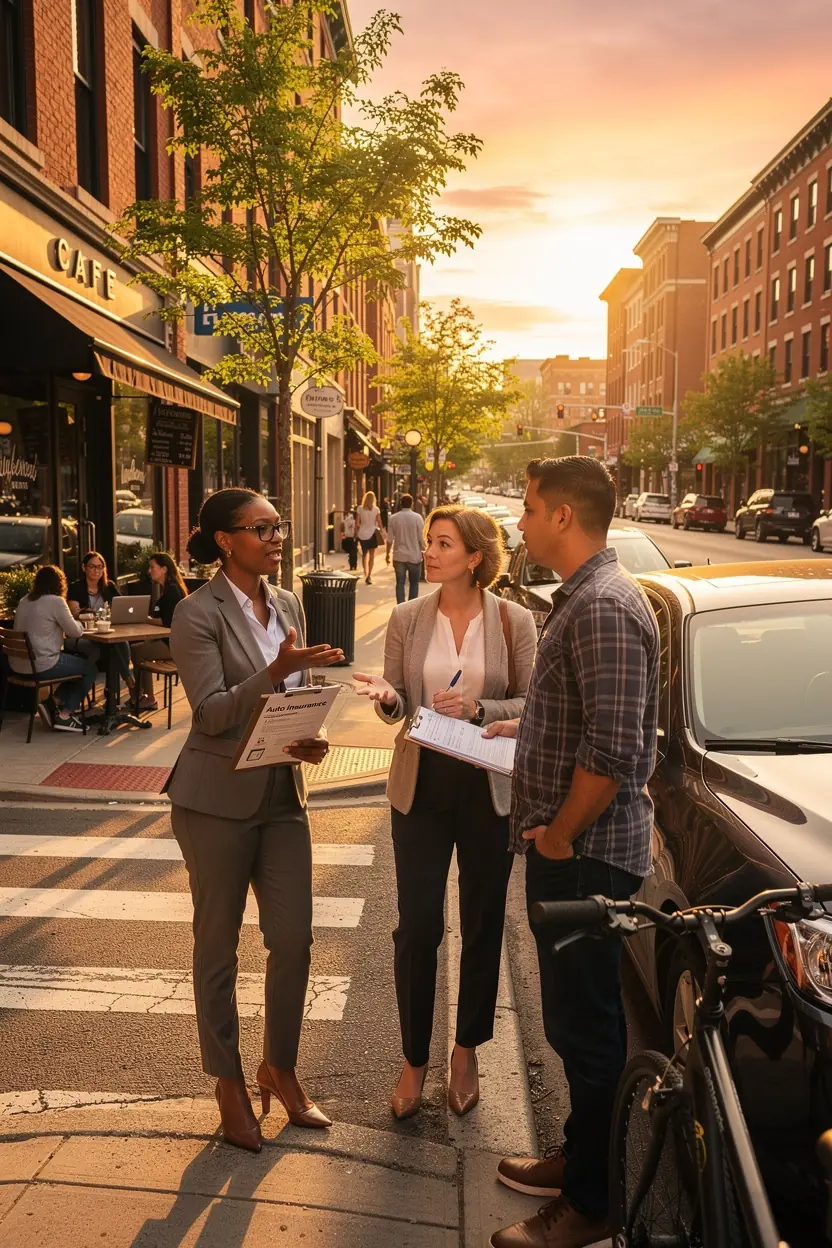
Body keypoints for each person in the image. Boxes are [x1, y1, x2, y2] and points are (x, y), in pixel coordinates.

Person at [485, 457, 660, 1248]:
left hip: (584, 855)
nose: (517, 523)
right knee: (571, 1025)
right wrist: (527, 730)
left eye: (526, 509)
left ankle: (590, 1205)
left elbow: (615, 748)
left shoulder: (605, 606)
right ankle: (576, 1155)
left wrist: (557, 834)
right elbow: (583, 717)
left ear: (562, 516)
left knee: (587, 1033)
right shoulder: (585, 598)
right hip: (573, 850)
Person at [167, 488, 345, 1153]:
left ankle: (281, 1067)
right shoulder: (196, 612)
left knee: (294, 940)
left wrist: (310, 736)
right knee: (217, 948)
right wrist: (277, 671)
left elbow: (285, 706)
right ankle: (229, 1082)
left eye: (278, 526)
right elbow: (211, 713)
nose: (276, 537)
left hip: (281, 796)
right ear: (224, 540)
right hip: (214, 800)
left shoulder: (290, 603)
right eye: (260, 528)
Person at [354, 506, 537, 1121]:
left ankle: (466, 1051)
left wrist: (479, 708)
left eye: (442, 544)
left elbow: (530, 700)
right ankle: (413, 1059)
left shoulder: (514, 621)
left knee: (482, 923)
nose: (429, 554)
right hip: (422, 788)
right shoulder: (408, 617)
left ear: (475, 556)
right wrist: (386, 700)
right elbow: (398, 699)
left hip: (488, 788)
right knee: (417, 927)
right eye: (429, 544)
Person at [11, 564, 99, 732]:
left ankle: (53, 703)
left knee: (76, 667)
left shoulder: (25, 600)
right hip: (42, 664)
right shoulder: (56, 601)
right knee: (90, 669)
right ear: (60, 583)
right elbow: (75, 631)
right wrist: (82, 621)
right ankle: (65, 714)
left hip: (17, 665)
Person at [67, 550, 133, 702]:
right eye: (92, 566)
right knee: (113, 648)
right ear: (84, 568)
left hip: (105, 633)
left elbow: (122, 606)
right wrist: (90, 613)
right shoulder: (76, 588)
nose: (97, 570)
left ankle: (113, 694)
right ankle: (126, 685)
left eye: (100, 567)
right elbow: (74, 613)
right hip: (83, 636)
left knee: (119, 643)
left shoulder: (108, 586)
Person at [129, 552, 188, 711]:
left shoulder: (172, 591)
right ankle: (139, 695)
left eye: (152, 567)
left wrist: (145, 619)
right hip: (169, 641)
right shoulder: (168, 589)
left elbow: (167, 622)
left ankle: (147, 698)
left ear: (164, 569)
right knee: (135, 649)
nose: (149, 571)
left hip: (175, 646)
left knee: (138, 652)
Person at [385, 494, 425, 604]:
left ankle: (401, 607)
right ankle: (411, 607)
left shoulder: (393, 518)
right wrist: (424, 550)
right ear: (412, 504)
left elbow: (389, 539)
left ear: (400, 504)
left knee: (400, 583)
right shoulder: (417, 518)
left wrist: (387, 554)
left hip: (399, 556)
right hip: (414, 556)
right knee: (414, 583)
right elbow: (421, 538)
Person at [356, 490, 383, 584]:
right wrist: (383, 532)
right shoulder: (376, 509)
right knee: (372, 556)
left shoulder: (360, 509)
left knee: (364, 554)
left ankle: (365, 572)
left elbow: (357, 523)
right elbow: (379, 522)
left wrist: (357, 531)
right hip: (372, 534)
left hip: (362, 534)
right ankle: (369, 575)